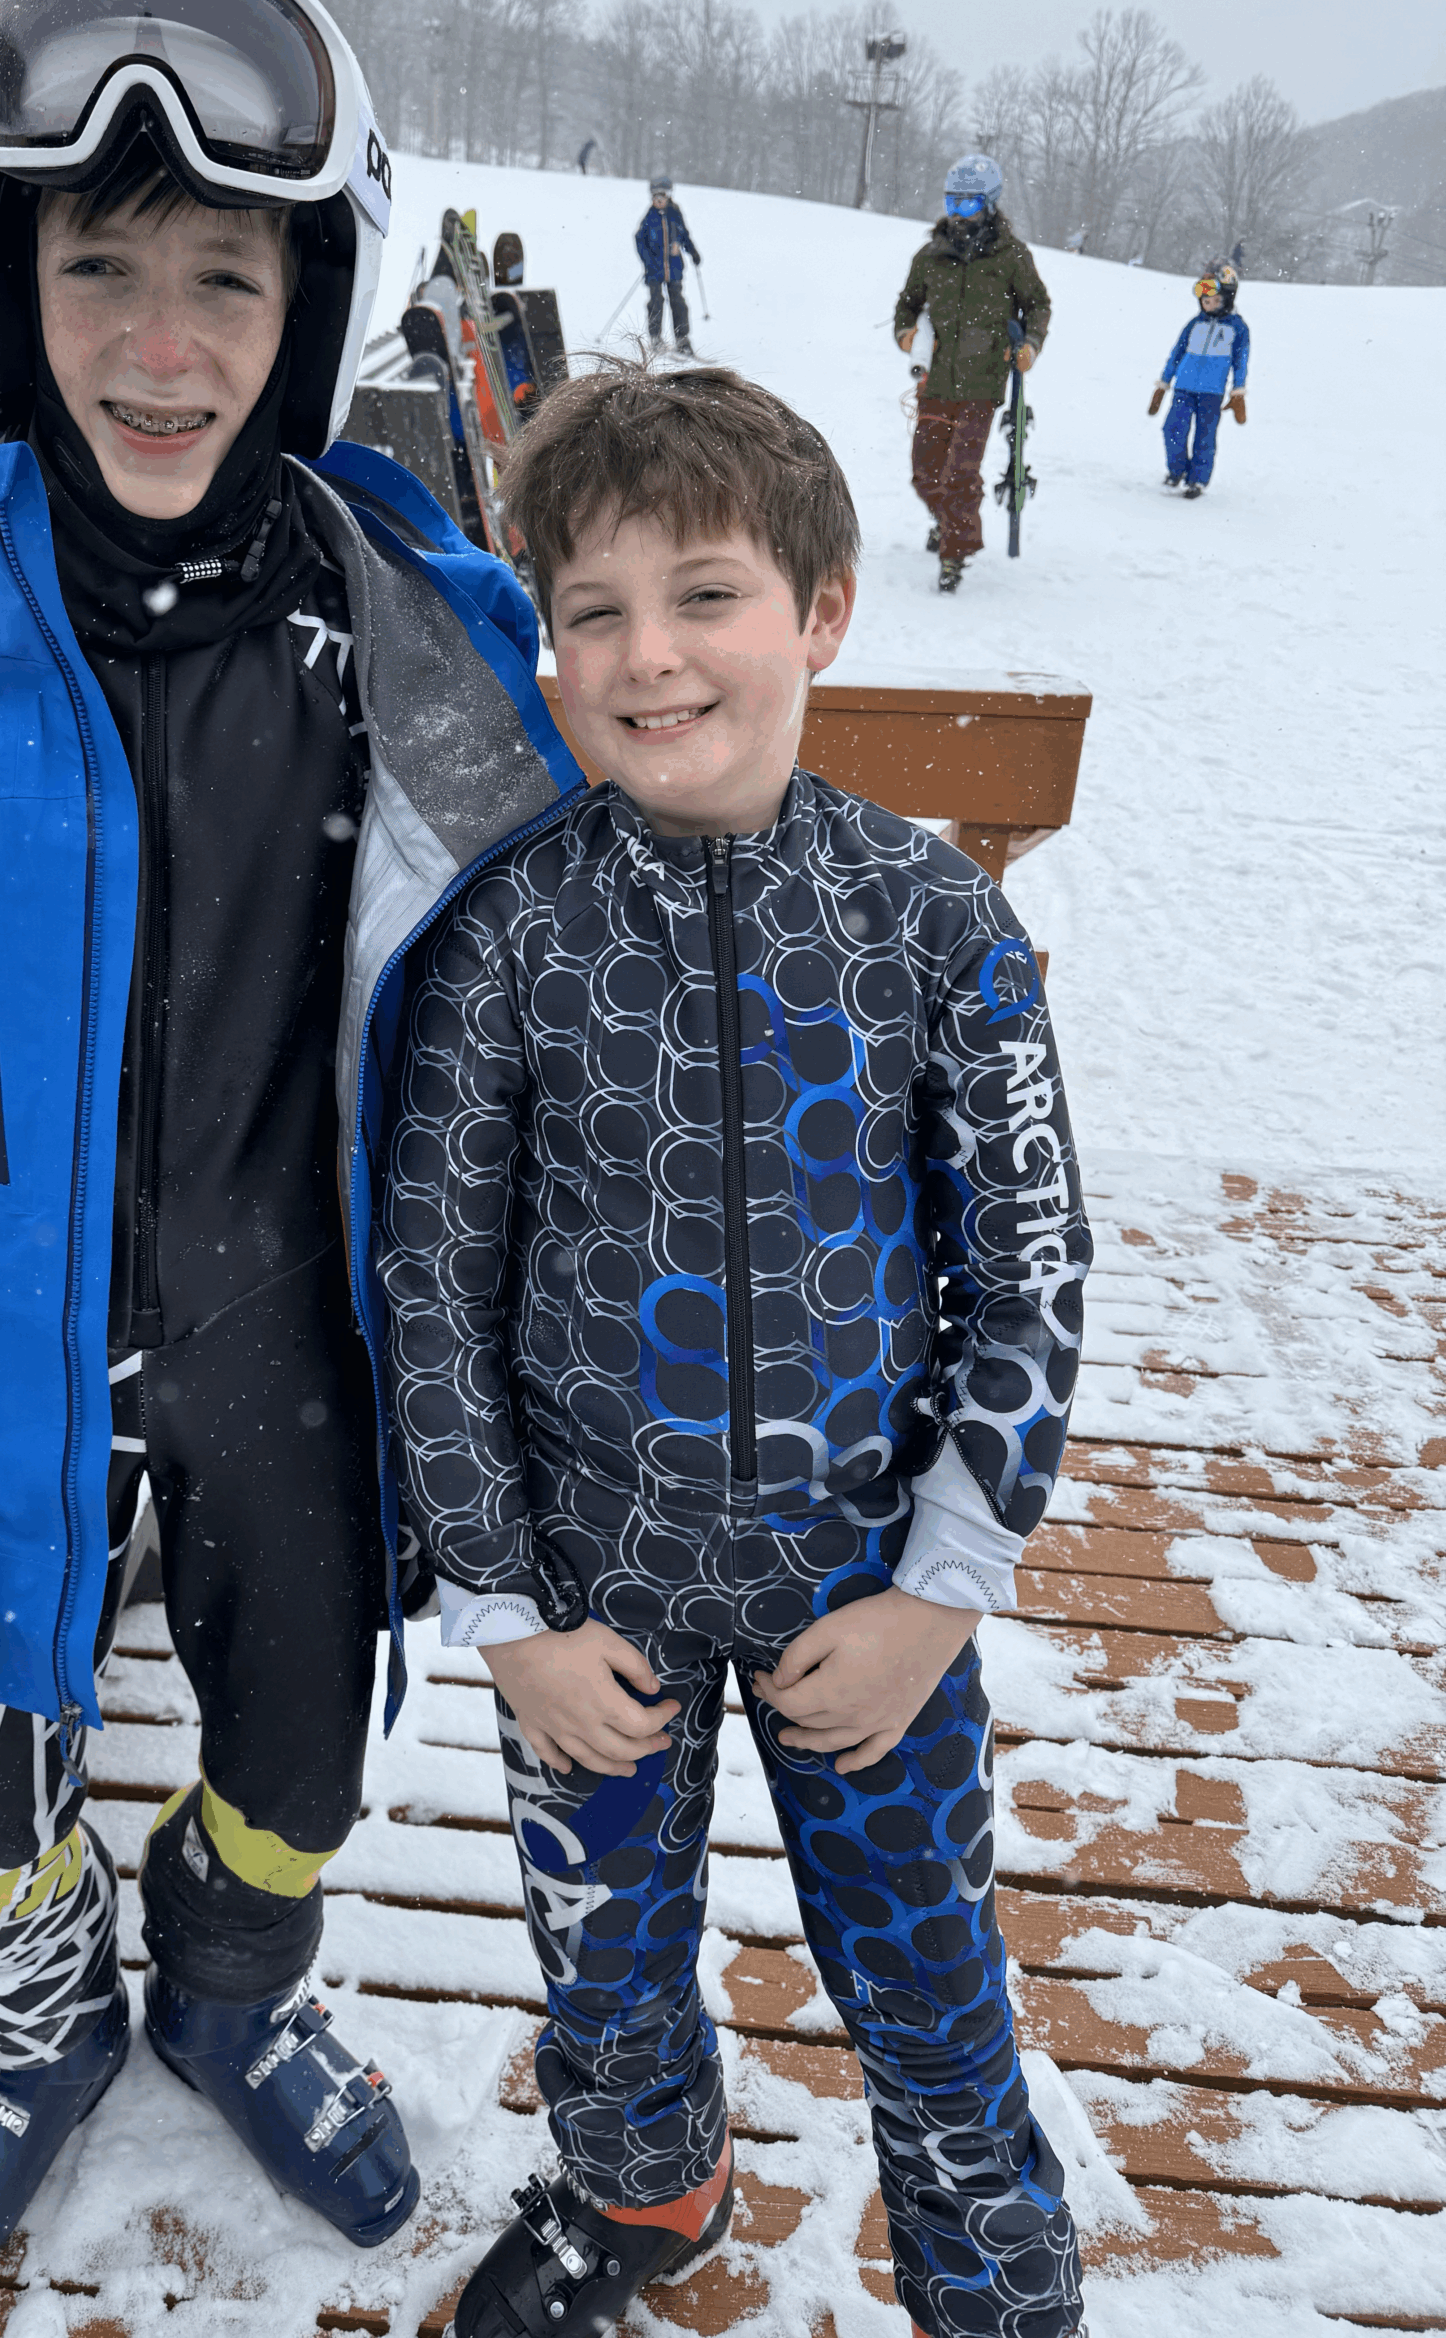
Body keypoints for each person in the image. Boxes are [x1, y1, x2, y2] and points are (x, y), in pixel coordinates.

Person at [0, 0, 583, 2336]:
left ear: (319, 296)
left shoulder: (421, 624)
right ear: (4, 272)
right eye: (100, 265)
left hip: (303, 1338)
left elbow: (605, 930)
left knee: (297, 1724)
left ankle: (226, 1977)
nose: (163, 342)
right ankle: (30, 2008)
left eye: (224, 272)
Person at [377, 357, 1091, 2338]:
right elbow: (433, 1269)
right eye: (590, 608)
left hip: (866, 1589)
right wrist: (506, 1602)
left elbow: (1029, 1257)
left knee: (936, 1985)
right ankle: (646, 2190)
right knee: (604, 1967)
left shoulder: (932, 921)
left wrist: (948, 1584)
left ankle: (996, 2280)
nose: (649, 653)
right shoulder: (509, 940)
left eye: (705, 594)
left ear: (822, 609)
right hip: (591, 1604)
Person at [892, 154, 1050, 591]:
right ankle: (948, 524)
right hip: (936, 380)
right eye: (952, 202)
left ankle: (955, 555)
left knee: (961, 471)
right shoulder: (930, 256)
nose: (959, 213)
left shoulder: (1012, 256)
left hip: (983, 382)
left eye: (969, 204)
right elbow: (907, 304)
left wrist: (1030, 345)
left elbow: (1037, 305)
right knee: (925, 472)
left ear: (990, 203)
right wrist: (906, 333)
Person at [1150, 262, 1249, 499]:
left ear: (1228, 299)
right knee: (1172, 429)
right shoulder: (1195, 324)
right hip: (1183, 388)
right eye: (1205, 301)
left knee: (1204, 437)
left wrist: (1238, 391)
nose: (1210, 305)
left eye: (1216, 301)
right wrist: (1164, 384)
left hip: (1212, 393)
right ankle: (1176, 471)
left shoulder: (1237, 328)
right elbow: (1176, 353)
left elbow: (1240, 361)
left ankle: (1197, 480)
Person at [634, 176, 700, 354]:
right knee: (656, 302)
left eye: (662, 197)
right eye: (655, 198)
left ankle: (682, 339)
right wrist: (648, 261)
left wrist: (692, 251)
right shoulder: (649, 217)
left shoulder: (675, 215)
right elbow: (640, 240)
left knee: (678, 302)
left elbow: (684, 235)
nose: (658, 201)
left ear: (669, 196)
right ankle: (656, 338)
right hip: (654, 270)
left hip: (674, 268)